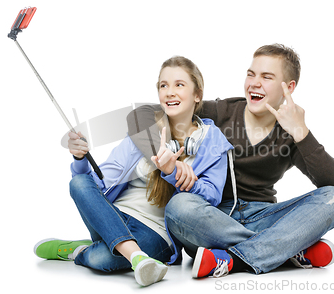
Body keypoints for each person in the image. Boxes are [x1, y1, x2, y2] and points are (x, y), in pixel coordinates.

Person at [126, 44, 334, 278]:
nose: (254, 83)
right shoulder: (222, 111)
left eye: (266, 77)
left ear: (289, 88)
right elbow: (139, 116)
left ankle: (232, 260)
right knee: (178, 207)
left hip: (263, 217)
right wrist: (169, 160)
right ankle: (285, 250)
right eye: (251, 74)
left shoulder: (290, 132)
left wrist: (301, 132)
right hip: (210, 219)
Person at [33, 56, 233, 286]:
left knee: (101, 259)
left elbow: (212, 197)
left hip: (157, 232)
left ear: (197, 94)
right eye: (163, 85)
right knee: (78, 183)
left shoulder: (212, 141)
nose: (169, 92)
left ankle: (81, 250)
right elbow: (99, 183)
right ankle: (135, 256)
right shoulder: (145, 131)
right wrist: (80, 159)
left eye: (179, 84)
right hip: (114, 216)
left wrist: (174, 173)